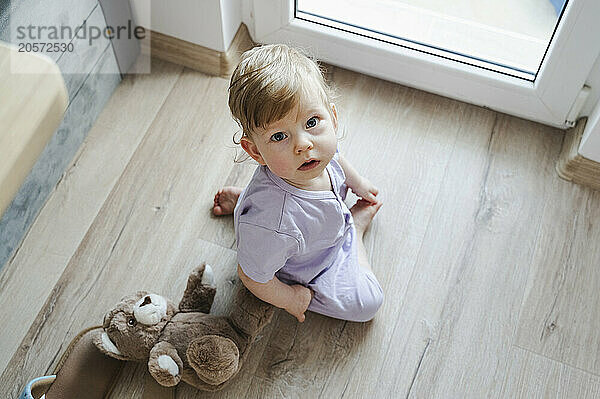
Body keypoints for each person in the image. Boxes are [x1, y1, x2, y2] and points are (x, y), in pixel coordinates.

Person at [213, 44, 384, 323]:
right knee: (368, 303)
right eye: (280, 136)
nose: (303, 144)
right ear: (255, 152)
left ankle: (244, 203)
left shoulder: (314, 156)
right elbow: (251, 275)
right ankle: (355, 231)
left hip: (299, 229)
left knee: (265, 216)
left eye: (313, 121)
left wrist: (358, 183)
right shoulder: (275, 224)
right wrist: (290, 297)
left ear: (333, 117)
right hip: (309, 263)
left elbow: (337, 159)